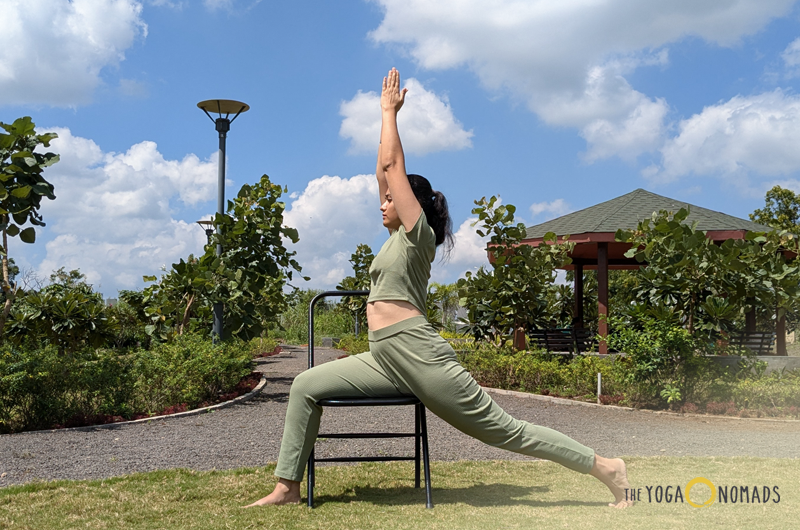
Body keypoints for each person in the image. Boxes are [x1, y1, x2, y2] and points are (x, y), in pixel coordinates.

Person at [246, 68, 633, 509]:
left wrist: (390, 113)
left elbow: (393, 168)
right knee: (305, 386)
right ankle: (287, 488)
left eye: (390, 198)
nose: (382, 202)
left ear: (410, 204)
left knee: (503, 429)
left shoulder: (417, 235)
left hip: (417, 352)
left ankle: (605, 466)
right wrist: (382, 122)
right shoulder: (394, 238)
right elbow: (383, 168)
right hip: (384, 355)